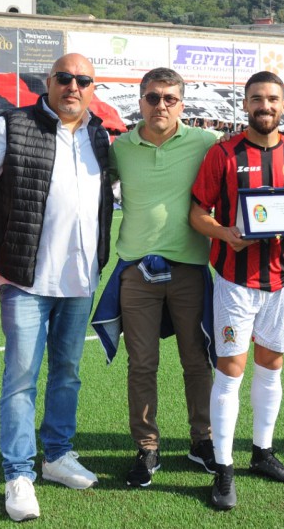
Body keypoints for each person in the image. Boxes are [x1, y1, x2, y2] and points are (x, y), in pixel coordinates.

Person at [0, 53, 113, 522]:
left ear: (91, 87)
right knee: (21, 378)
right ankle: (18, 473)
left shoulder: (99, 135)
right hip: (25, 278)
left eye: (83, 80)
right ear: (49, 82)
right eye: (66, 78)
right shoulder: (12, 126)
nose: (74, 86)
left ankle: (57, 455)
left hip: (81, 279)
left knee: (67, 372)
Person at [189, 71, 284, 511]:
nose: (265, 106)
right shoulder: (222, 154)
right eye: (257, 99)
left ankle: (262, 452)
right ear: (245, 104)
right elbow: (196, 213)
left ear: (283, 106)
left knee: (273, 362)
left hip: (282, 279)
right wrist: (225, 233)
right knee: (231, 368)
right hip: (234, 281)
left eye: (272, 99)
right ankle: (224, 469)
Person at [92, 67, 220, 488]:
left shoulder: (207, 142)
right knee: (142, 364)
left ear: (182, 104)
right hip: (137, 273)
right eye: (152, 97)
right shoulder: (120, 147)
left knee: (197, 361)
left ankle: (201, 440)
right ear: (140, 100)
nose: (160, 105)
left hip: (189, 269)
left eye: (169, 98)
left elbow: (259, 148)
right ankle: (147, 446)